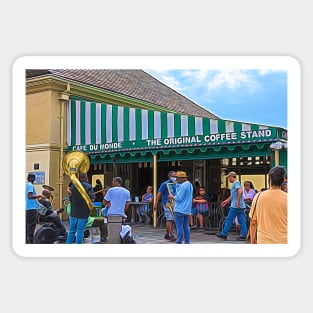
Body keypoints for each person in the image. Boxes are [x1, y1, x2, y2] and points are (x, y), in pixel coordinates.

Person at [249, 166, 288, 244]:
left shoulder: (258, 196)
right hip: (284, 241)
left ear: (269, 179)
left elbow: (253, 222)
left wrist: (252, 239)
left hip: (264, 241)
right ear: (283, 180)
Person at [215, 172, 247, 241]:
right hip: (239, 206)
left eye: (229, 177)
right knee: (241, 220)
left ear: (232, 176)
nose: (228, 179)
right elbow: (233, 195)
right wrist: (226, 201)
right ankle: (244, 235)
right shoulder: (236, 183)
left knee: (229, 219)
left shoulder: (236, 183)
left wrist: (237, 201)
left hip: (235, 206)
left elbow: (240, 191)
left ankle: (224, 234)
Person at [66, 172, 95, 244]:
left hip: (74, 212)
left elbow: (70, 198)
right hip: (83, 212)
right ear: (86, 178)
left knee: (72, 230)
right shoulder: (88, 186)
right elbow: (92, 199)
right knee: (80, 231)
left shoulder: (73, 185)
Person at [168, 171, 193, 244]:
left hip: (179, 209)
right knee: (186, 226)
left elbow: (179, 197)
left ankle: (179, 241)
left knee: (179, 227)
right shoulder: (189, 184)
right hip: (187, 209)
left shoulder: (182, 186)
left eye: (177, 178)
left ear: (181, 178)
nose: (176, 180)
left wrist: (172, 197)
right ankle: (187, 241)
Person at [153, 171, 177, 242]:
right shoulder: (164, 184)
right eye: (173, 176)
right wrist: (156, 203)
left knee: (171, 219)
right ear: (169, 176)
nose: (174, 177)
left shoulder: (176, 184)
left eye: (175, 176)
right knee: (170, 219)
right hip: (167, 203)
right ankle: (170, 234)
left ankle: (167, 234)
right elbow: (159, 194)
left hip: (174, 203)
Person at [25, 173, 41, 244]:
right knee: (31, 225)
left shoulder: (26, 185)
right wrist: (39, 196)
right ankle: (30, 241)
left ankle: (27, 240)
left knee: (27, 225)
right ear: (34, 179)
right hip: (31, 208)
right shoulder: (30, 185)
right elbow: (30, 196)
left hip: (27, 208)